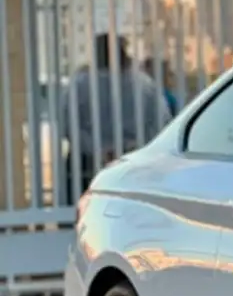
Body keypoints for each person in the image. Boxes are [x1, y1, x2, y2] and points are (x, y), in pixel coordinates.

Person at [64, 34, 172, 198]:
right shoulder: (143, 85)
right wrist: (132, 148)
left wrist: (98, 150)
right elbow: (161, 124)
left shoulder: (79, 85)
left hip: (86, 164)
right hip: (134, 163)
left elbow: (68, 125)